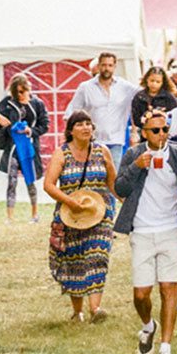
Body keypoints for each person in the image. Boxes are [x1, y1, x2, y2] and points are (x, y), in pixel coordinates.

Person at [114, 109, 177, 354]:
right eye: (155, 130)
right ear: (144, 133)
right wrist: (137, 168)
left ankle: (166, 347)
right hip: (142, 230)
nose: (161, 135)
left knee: (169, 288)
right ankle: (148, 325)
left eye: (164, 130)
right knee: (141, 294)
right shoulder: (134, 155)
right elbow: (120, 188)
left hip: (171, 230)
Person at [44, 110, 117, 322]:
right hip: (70, 216)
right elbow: (49, 185)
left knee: (97, 255)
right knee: (74, 261)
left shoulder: (102, 152)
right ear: (70, 130)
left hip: (99, 213)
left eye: (88, 124)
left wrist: (126, 200)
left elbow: (112, 182)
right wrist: (70, 202)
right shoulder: (62, 153)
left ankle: (96, 309)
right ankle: (78, 311)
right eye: (80, 124)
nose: (85, 127)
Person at [0, 74, 49, 224]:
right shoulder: (8, 103)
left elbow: (45, 125)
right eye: (18, 93)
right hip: (12, 149)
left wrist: (31, 131)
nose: (21, 95)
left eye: (23, 91)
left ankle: (35, 214)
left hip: (29, 148)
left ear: (29, 88)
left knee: (30, 181)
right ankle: (10, 217)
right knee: (12, 181)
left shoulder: (37, 104)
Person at [66, 52, 140, 167]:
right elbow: (72, 112)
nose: (107, 68)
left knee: (113, 177)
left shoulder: (125, 86)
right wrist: (71, 137)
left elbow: (143, 95)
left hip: (116, 141)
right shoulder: (85, 87)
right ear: (99, 66)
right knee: (95, 175)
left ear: (115, 67)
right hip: (92, 141)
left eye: (110, 65)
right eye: (104, 65)